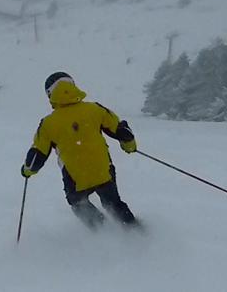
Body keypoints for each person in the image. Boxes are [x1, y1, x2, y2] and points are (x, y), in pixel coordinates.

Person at [21, 72, 139, 231]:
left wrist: (28, 170)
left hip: (75, 177)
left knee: (78, 203)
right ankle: (135, 233)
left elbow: (37, 155)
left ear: (49, 93)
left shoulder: (48, 123)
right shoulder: (95, 109)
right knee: (112, 202)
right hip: (103, 170)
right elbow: (121, 130)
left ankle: (102, 233)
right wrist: (129, 146)